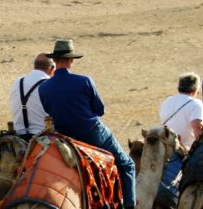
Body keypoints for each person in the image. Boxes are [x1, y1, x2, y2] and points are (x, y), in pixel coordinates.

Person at [37, 39, 136, 208]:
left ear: (55, 60)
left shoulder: (43, 87)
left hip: (66, 138)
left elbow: (50, 111)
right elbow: (99, 109)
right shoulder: (84, 81)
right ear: (71, 60)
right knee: (127, 164)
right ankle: (129, 205)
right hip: (92, 133)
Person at [155, 72, 203, 206]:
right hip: (185, 150)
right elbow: (197, 127)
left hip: (164, 148)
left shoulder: (167, 101)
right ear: (196, 89)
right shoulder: (196, 104)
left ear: (179, 87)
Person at [8, 53, 55, 139]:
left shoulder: (18, 82)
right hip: (42, 136)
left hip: (18, 135)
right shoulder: (50, 84)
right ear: (52, 69)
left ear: (35, 66)